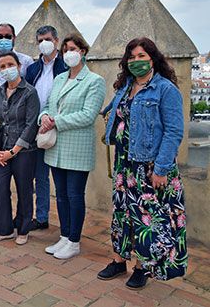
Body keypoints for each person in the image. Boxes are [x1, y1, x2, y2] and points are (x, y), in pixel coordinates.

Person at [97, 37, 187, 289]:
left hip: (149, 167)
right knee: (122, 215)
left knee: (144, 219)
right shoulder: (125, 86)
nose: (136, 61)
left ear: (153, 59)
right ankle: (118, 261)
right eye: (132, 57)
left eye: (142, 56)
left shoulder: (165, 90)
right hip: (124, 164)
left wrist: (160, 169)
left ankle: (141, 268)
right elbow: (118, 108)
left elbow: (173, 132)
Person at [39, 33, 105, 259]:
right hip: (56, 146)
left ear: (83, 52)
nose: (69, 53)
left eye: (73, 48)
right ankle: (65, 236)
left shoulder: (94, 81)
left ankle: (75, 240)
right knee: (61, 195)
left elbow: (87, 116)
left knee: (75, 194)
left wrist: (56, 121)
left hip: (77, 147)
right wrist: (45, 117)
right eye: (65, 49)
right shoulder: (59, 79)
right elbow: (48, 104)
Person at [0, 52, 40, 245]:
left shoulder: (30, 92)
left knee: (24, 189)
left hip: (23, 151)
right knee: (0, 189)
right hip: (0, 150)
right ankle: (4, 229)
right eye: (2, 66)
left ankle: (23, 229)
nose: (7, 68)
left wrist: (12, 152)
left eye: (10, 64)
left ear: (18, 66)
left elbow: (31, 125)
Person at [25, 26, 68, 230]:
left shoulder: (66, 65)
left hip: (60, 125)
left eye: (48, 39)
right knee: (40, 175)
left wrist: (54, 119)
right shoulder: (33, 69)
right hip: (37, 127)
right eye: (41, 40)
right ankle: (41, 217)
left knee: (62, 178)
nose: (45, 43)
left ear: (57, 41)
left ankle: (67, 226)